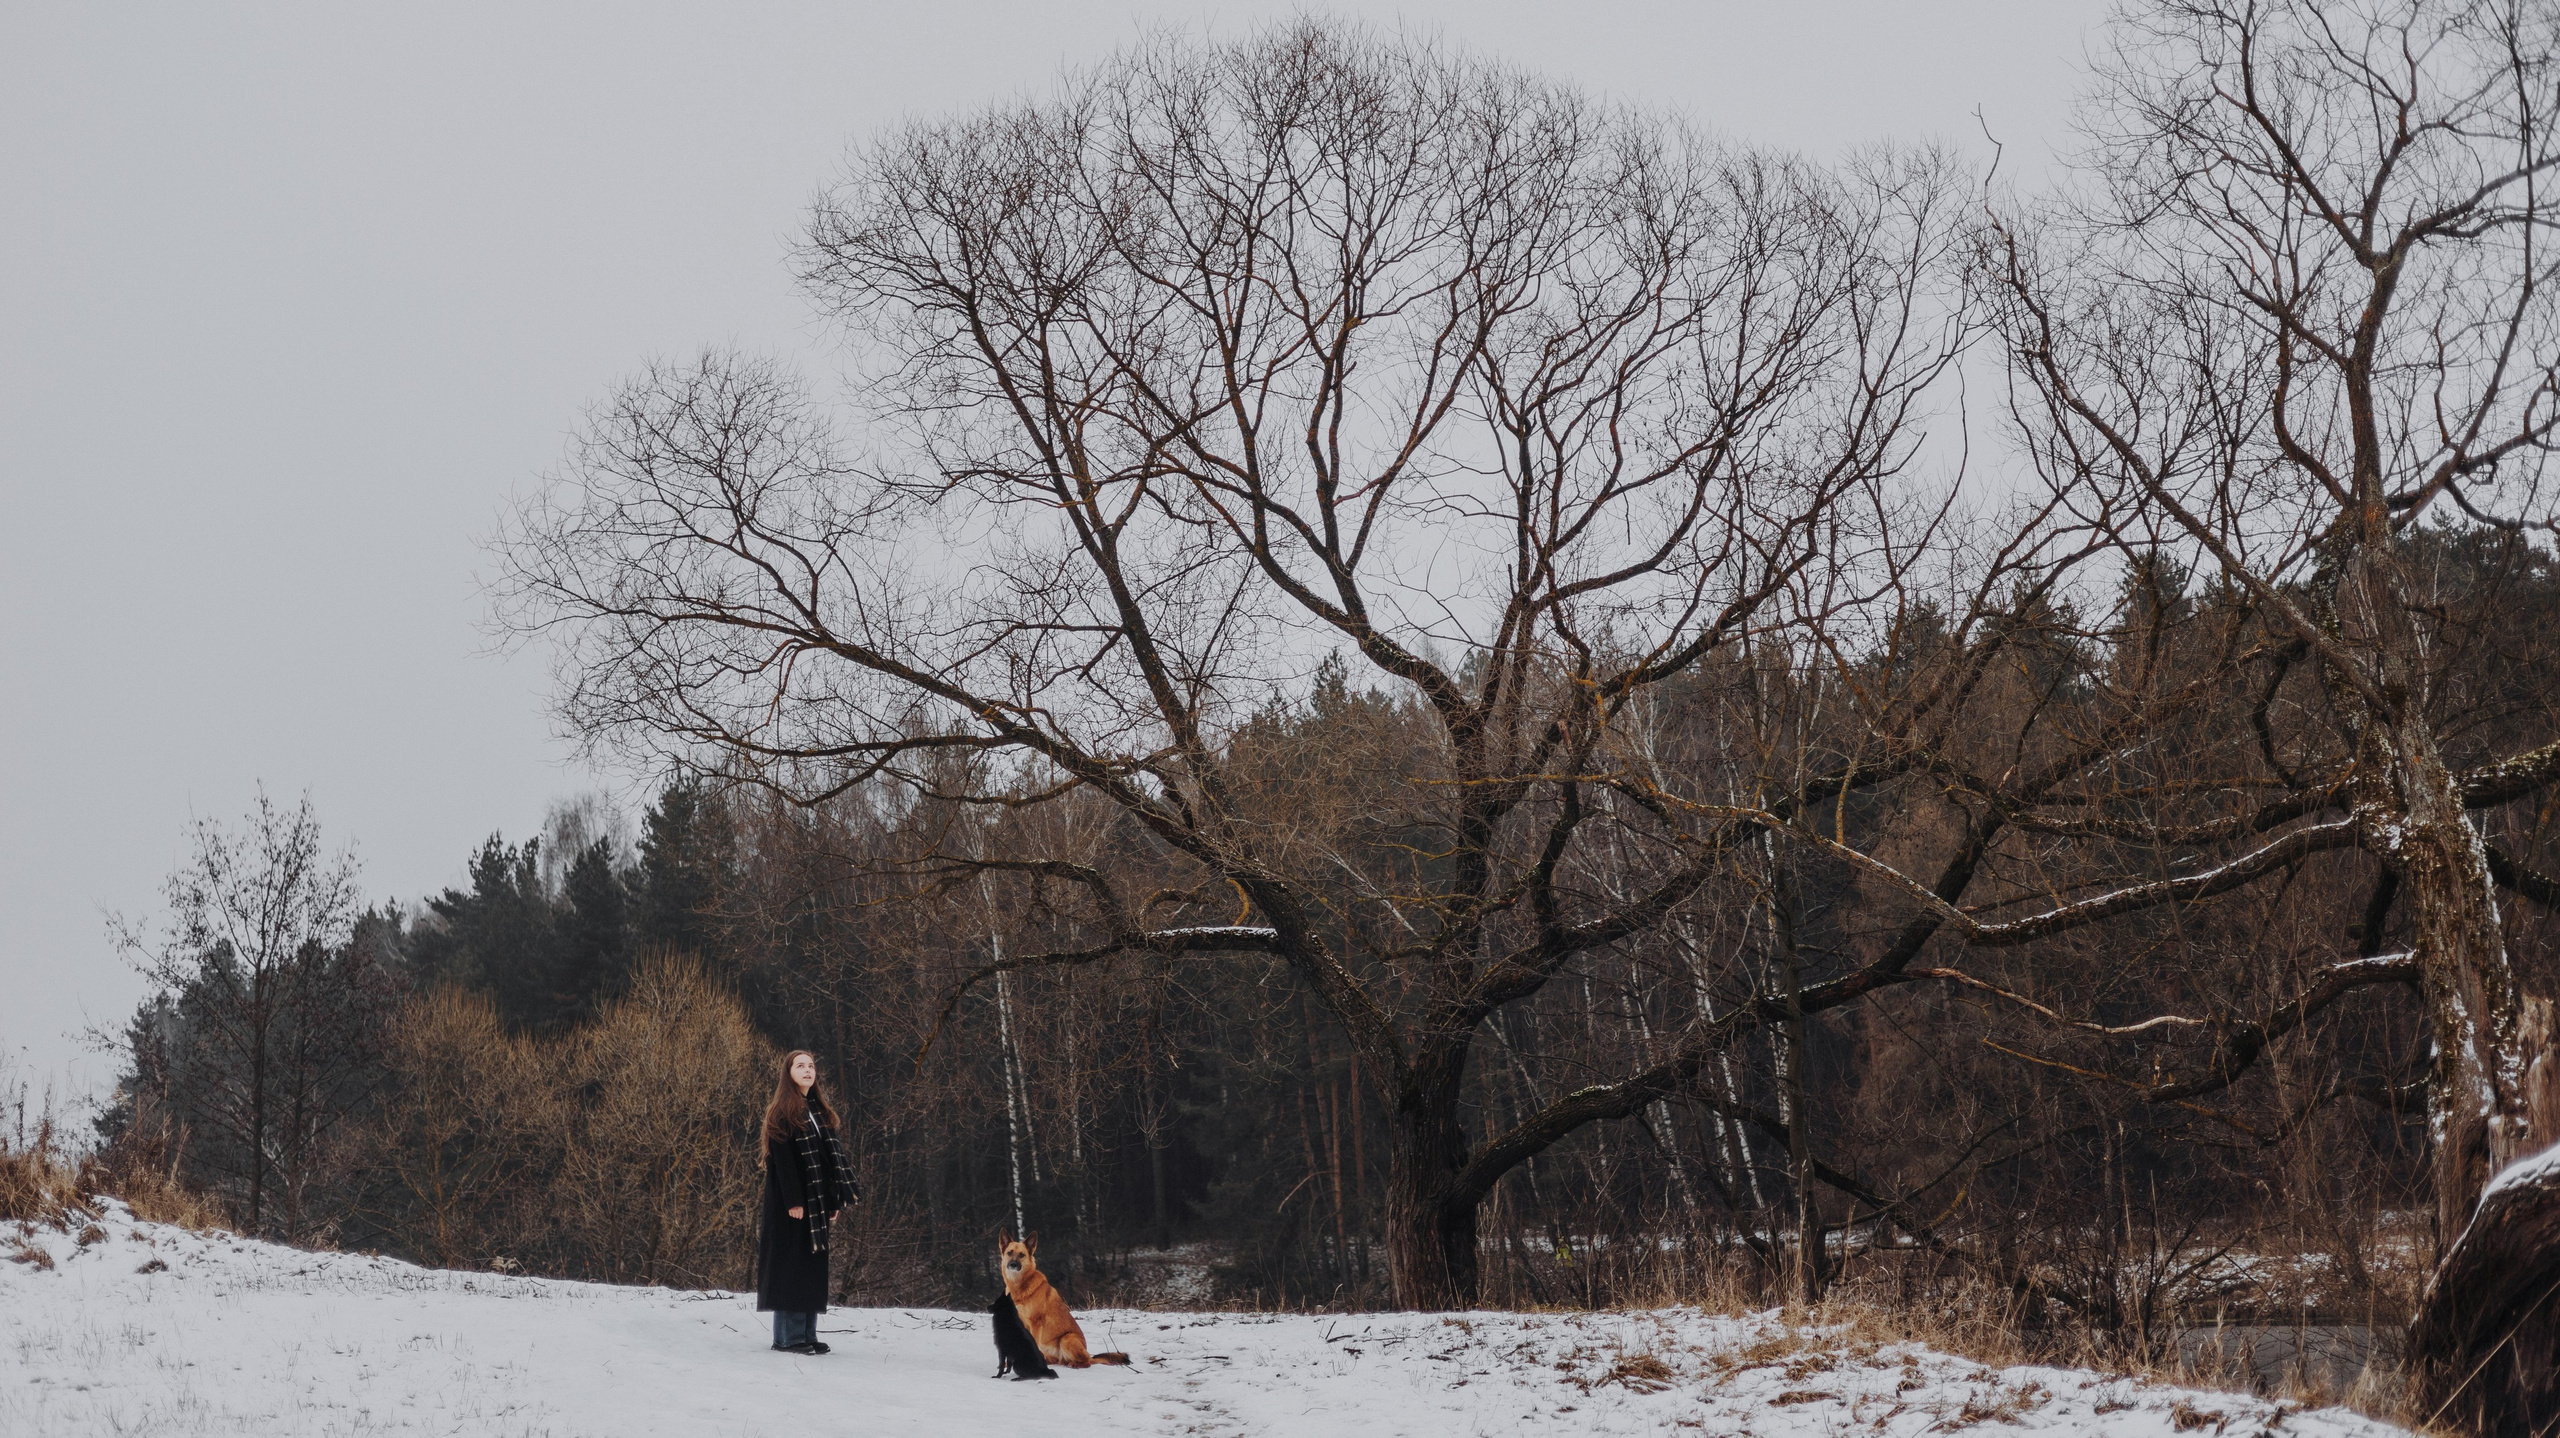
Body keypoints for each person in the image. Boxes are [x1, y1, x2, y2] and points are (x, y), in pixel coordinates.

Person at [756, 1049, 857, 1354]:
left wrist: (833, 1200)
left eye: (811, 1065)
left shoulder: (818, 1112)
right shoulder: (781, 1112)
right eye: (800, 1066)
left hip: (815, 1205)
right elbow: (783, 1162)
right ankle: (787, 1338)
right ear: (788, 1074)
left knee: (811, 1268)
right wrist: (794, 1201)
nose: (807, 1070)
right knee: (791, 1268)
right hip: (791, 1205)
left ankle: (807, 1335)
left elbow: (827, 1163)